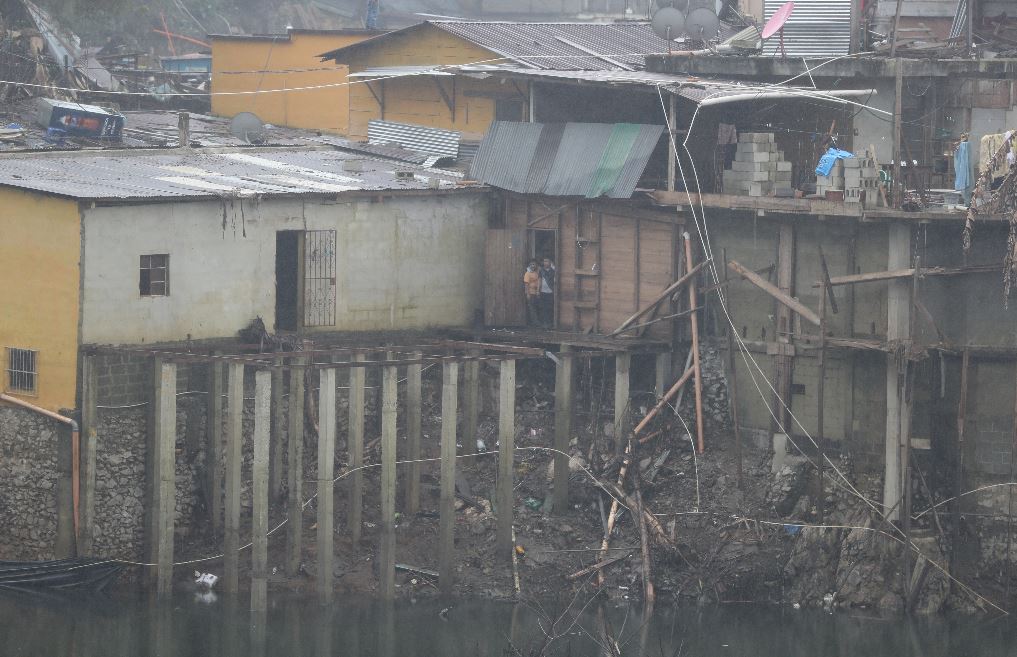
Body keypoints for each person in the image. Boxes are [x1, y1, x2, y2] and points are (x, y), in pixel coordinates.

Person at [538, 257, 556, 328]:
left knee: (549, 308)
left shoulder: (553, 271)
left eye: (547, 261)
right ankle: (544, 323)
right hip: (543, 292)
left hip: (550, 292)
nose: (545, 263)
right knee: (543, 308)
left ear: (550, 262)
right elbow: (539, 280)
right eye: (544, 261)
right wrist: (538, 290)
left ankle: (549, 323)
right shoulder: (541, 270)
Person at [523, 260, 540, 326]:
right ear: (529, 265)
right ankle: (534, 322)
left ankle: (535, 321)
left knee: (535, 307)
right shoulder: (527, 273)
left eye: (534, 264)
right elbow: (526, 284)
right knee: (532, 308)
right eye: (531, 264)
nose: (533, 266)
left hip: (535, 293)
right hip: (530, 293)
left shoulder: (536, 272)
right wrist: (528, 294)